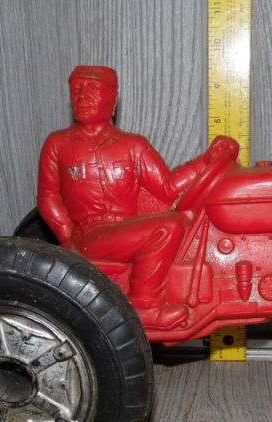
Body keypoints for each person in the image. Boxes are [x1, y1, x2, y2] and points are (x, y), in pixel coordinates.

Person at [38, 66, 238, 329]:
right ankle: (145, 306)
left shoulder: (133, 146)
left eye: (93, 89)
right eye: (76, 89)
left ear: (113, 99)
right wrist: (67, 237)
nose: (82, 96)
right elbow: (48, 196)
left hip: (124, 231)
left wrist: (206, 161)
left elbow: (168, 187)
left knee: (177, 223)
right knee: (168, 227)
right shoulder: (58, 144)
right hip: (87, 235)